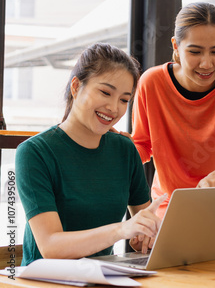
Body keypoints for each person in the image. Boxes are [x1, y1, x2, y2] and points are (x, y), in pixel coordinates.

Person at [17, 43, 166, 266]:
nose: (114, 108)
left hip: (102, 275)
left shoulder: (125, 150)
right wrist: (122, 229)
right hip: (46, 280)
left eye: (124, 100)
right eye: (105, 92)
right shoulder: (35, 153)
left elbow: (142, 228)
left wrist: (145, 235)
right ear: (76, 87)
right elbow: (50, 246)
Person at [132, 2, 215, 218]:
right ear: (176, 46)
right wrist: (118, 153)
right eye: (195, 52)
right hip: (165, 209)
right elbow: (142, 145)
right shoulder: (151, 82)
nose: (206, 63)